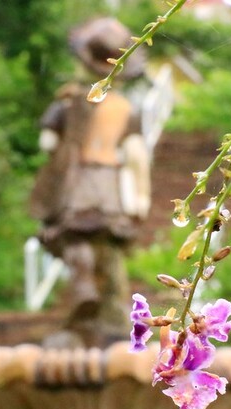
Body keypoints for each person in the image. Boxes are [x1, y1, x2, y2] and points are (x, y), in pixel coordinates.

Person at [30, 17, 151, 343]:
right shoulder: (126, 109)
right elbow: (137, 155)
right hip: (109, 183)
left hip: (76, 181)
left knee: (74, 234)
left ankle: (84, 284)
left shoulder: (68, 103)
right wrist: (140, 197)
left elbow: (47, 143)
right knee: (109, 242)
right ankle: (112, 303)